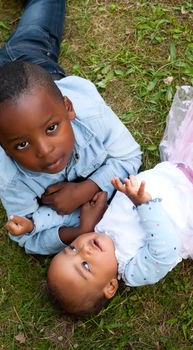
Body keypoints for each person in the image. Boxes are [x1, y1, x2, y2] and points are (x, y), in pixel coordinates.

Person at [0, 0, 142, 255]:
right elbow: (24, 235)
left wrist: (86, 189)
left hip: (33, 60)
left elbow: (130, 155)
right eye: (22, 144)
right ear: (3, 146)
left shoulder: (90, 113)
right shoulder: (10, 175)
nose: (44, 151)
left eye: (51, 128)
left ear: (69, 108)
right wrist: (77, 232)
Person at [45, 87, 193, 316]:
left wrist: (95, 215)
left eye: (72, 248)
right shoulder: (134, 270)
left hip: (177, 172)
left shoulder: (101, 232)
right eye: (85, 266)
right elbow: (166, 250)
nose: (83, 249)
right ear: (110, 286)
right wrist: (143, 204)